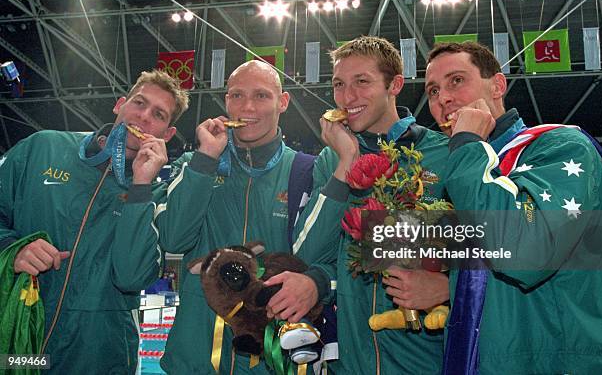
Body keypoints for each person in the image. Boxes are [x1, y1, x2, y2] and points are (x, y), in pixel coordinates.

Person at [424, 41, 602, 374]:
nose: (443, 99)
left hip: (554, 363)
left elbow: (526, 253)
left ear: (497, 85)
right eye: (433, 90)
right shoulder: (463, 173)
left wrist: (467, 145)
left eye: (456, 80)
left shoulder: (561, 145)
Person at [156, 60, 349, 374]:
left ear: (282, 102)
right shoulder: (197, 163)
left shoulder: (309, 171)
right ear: (226, 101)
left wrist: (315, 283)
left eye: (261, 96)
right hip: (196, 358)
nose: (247, 106)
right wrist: (205, 160)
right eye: (236, 96)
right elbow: (174, 238)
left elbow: (330, 258)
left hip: (273, 361)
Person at [0, 69, 189, 373]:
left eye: (158, 115)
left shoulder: (155, 192)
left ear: (166, 135)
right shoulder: (43, 148)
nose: (143, 117)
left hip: (99, 356)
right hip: (21, 339)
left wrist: (140, 185)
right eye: (139, 103)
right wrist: (12, 248)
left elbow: (132, 278)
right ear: (120, 105)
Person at [293, 36, 451, 374]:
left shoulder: (445, 152)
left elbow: (484, 247)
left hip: (426, 361)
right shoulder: (330, 159)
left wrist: (446, 287)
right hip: (350, 361)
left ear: (394, 85)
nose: (348, 97)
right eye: (339, 85)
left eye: (362, 82)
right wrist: (345, 161)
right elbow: (307, 255)